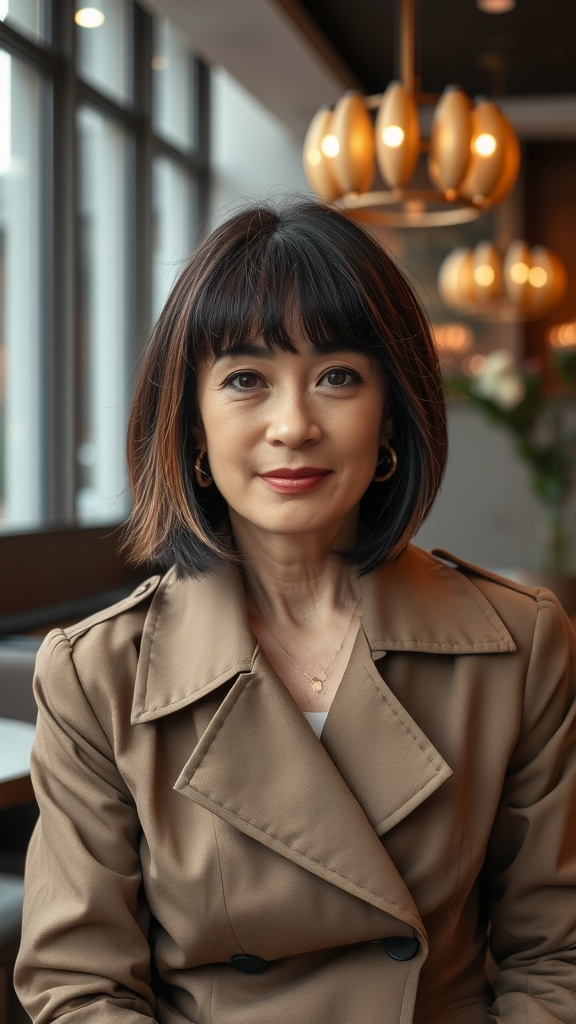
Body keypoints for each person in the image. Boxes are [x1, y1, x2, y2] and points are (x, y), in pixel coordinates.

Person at [15, 201, 576, 1024]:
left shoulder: (522, 645)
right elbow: (79, 986)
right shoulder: (98, 673)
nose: (293, 425)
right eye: (246, 380)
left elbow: (557, 956)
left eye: (338, 377)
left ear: (389, 414)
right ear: (193, 428)